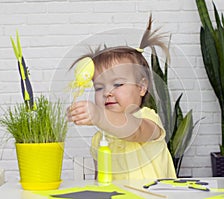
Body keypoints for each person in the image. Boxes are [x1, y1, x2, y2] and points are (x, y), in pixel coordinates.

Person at [67, 15, 176, 180]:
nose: (107, 93)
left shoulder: (147, 119)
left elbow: (134, 131)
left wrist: (98, 115)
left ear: (141, 87)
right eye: (99, 87)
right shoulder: (100, 138)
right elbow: (101, 179)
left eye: (117, 84)